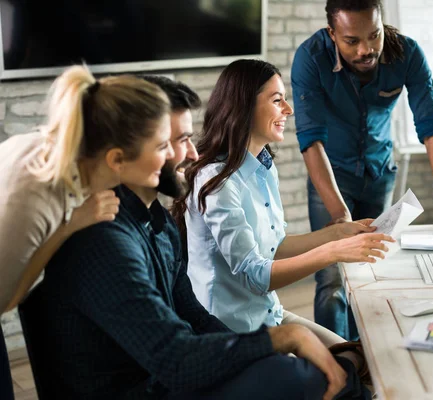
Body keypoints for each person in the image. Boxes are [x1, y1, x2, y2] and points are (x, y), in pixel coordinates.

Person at [28, 76, 371, 399]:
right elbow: (174, 360)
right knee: (316, 376)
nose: (192, 154)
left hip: (165, 375)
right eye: (171, 143)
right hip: (143, 388)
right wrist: (281, 338)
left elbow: (197, 319)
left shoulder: (156, 222)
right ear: (118, 160)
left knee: (330, 366)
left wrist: (268, 348)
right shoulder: (104, 244)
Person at [170, 59, 393, 354]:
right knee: (347, 370)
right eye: (277, 101)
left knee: (360, 358)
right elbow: (255, 276)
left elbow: (276, 246)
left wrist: (341, 234)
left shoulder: (263, 166)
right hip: (231, 332)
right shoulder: (217, 181)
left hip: (269, 314)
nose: (288, 110)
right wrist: (333, 253)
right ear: (245, 106)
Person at [291, 0, 433, 340]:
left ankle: (369, 354)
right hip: (331, 177)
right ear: (333, 33)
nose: (366, 50)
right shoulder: (310, 58)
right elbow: (310, 140)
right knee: (332, 277)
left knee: (372, 269)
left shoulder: (407, 53)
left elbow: (432, 127)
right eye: (352, 41)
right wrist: (340, 217)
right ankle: (338, 362)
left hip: (380, 173)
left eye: (373, 36)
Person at [0, 64, 173, 313]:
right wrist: (68, 226)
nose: (170, 154)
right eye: (161, 146)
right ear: (115, 160)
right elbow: (5, 300)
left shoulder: (77, 154)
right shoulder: (34, 201)